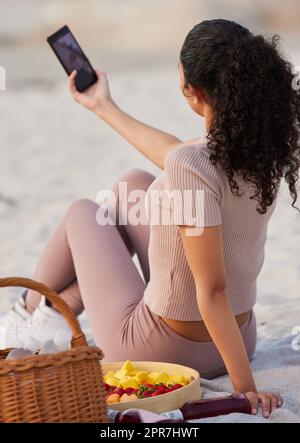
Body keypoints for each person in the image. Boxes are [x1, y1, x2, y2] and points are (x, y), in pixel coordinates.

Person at [1, 19, 299, 417]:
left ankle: (31, 309)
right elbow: (176, 153)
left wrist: (245, 390)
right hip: (238, 338)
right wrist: (101, 104)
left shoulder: (190, 165)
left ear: (191, 92)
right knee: (134, 184)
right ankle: (54, 310)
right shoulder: (259, 150)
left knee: (84, 212)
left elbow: (211, 290)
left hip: (161, 347)